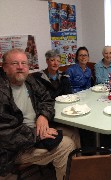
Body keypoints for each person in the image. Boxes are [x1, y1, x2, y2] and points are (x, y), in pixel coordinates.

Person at [0, 48, 75, 180]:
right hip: (14, 148)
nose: (20, 67)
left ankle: (70, 171)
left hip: (35, 130)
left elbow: (47, 99)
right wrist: (37, 134)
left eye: (24, 63)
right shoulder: (2, 91)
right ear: (4, 67)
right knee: (66, 145)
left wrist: (43, 116)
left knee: (74, 132)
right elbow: (6, 133)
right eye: (15, 63)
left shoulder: (30, 81)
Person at [32, 50, 81, 149]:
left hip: (62, 113)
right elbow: (41, 100)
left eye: (58, 60)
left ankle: (77, 158)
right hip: (48, 117)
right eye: (52, 60)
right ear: (47, 61)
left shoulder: (63, 76)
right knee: (73, 131)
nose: (55, 63)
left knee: (76, 130)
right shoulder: (38, 78)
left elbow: (69, 95)